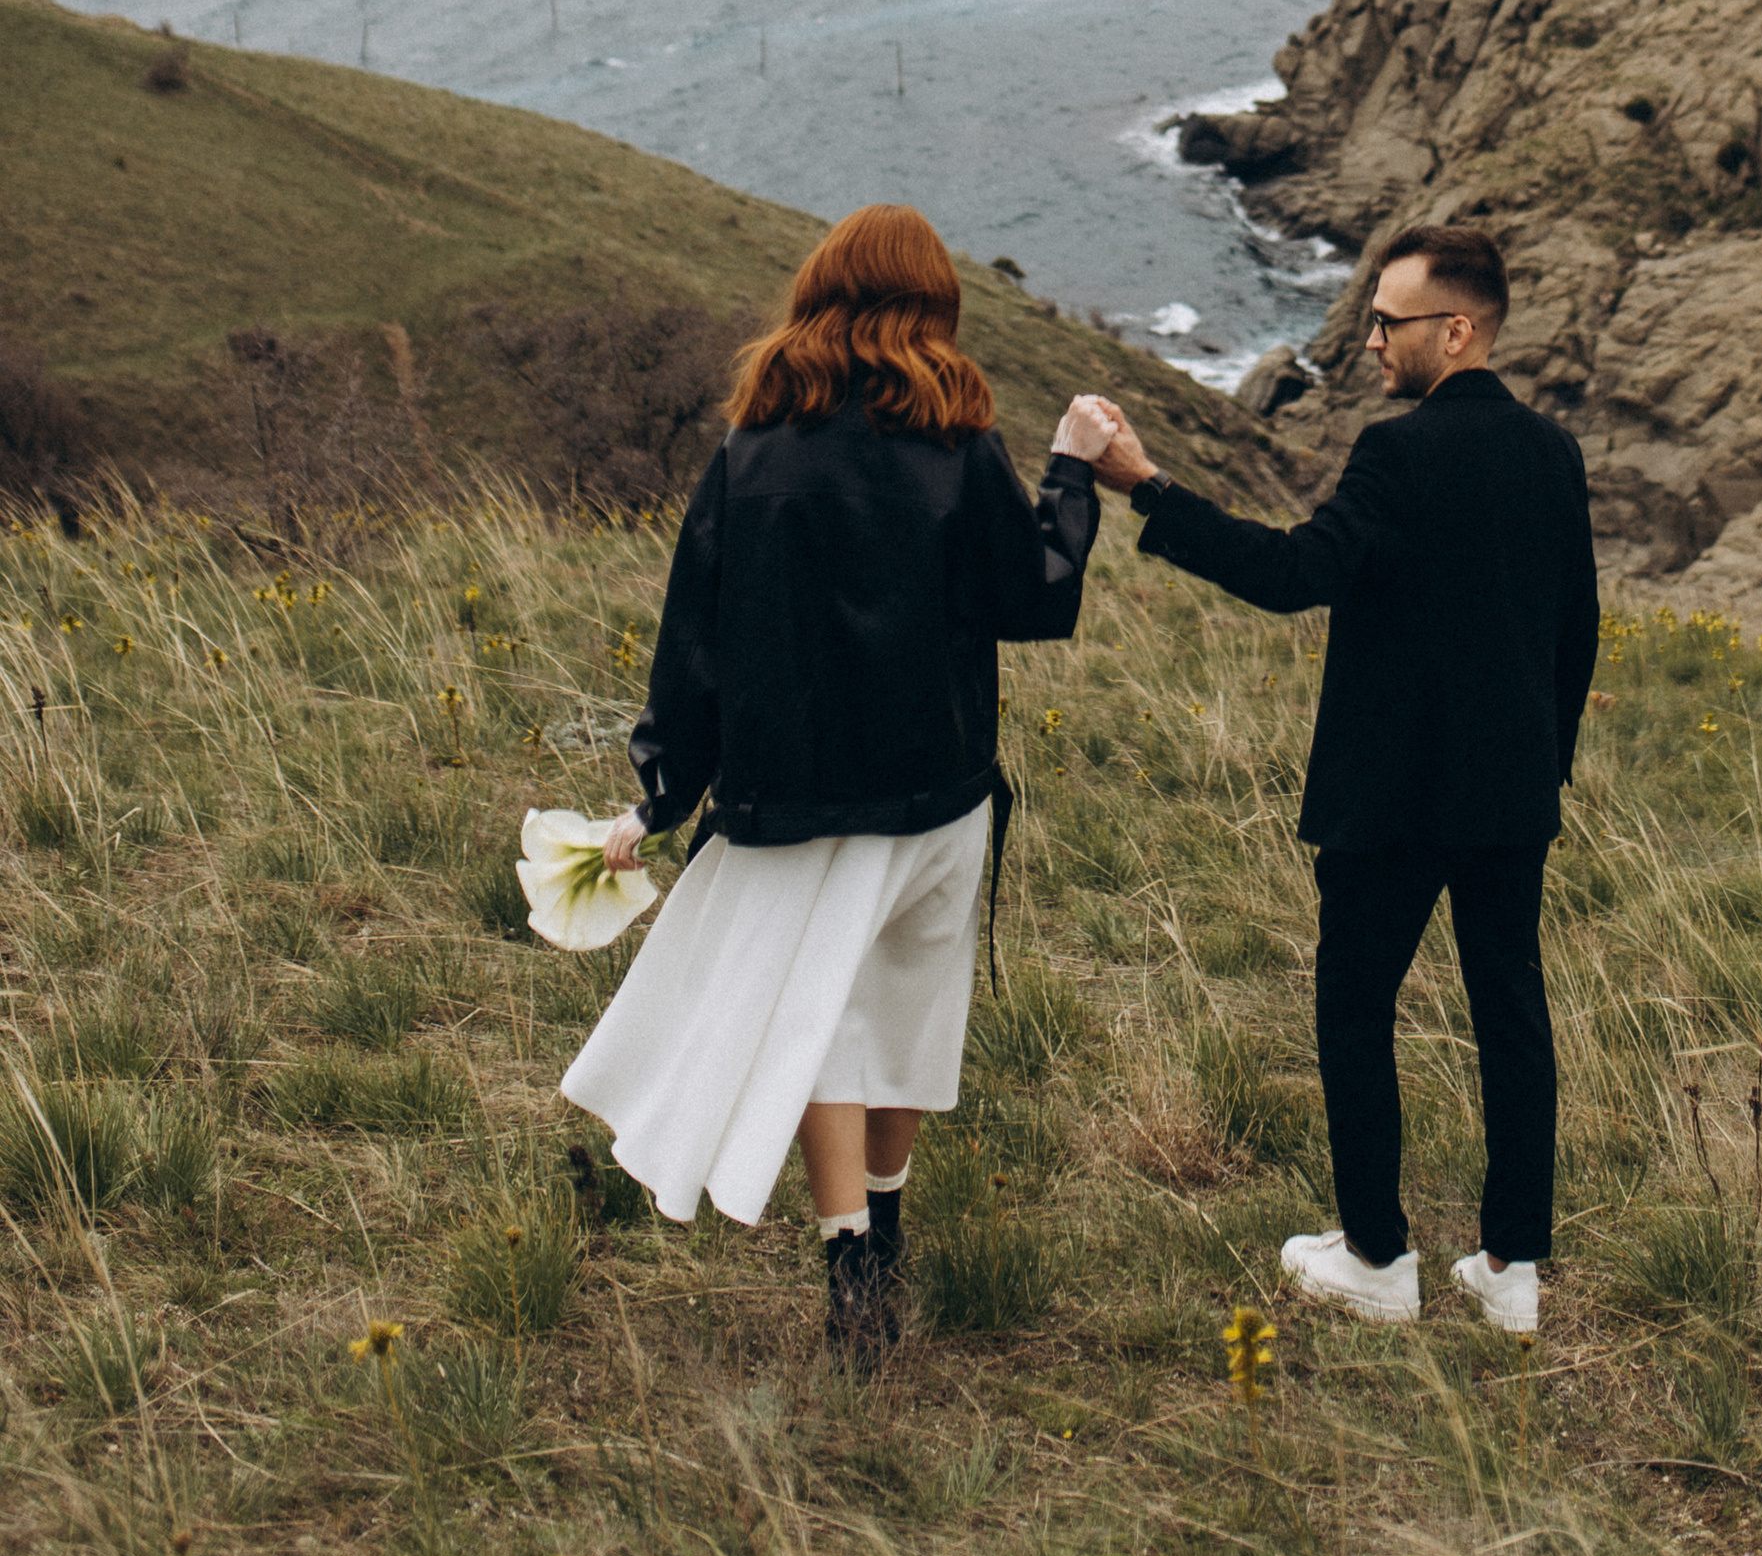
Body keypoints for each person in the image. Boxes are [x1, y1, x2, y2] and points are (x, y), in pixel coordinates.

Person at [561, 203, 1108, 1364]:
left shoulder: (749, 451)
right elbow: (1035, 598)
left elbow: (692, 645)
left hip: (793, 799)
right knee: (905, 1019)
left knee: (824, 1029)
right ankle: (885, 1232)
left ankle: (853, 1256)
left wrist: (660, 795)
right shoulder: (959, 446)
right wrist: (1071, 472)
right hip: (936, 793)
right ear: (932, 307)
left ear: (818, 295)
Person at [1063, 220, 1597, 1334]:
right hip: (1509, 793)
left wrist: (1149, 490)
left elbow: (1292, 573)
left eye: (1388, 322)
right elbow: (1576, 631)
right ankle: (1512, 1273)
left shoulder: (1395, 455)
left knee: (1356, 1007)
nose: (1366, 343)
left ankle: (1375, 1258)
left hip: (1389, 797)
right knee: (1512, 1011)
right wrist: (1544, 766)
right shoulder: (1553, 454)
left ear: (1458, 328)